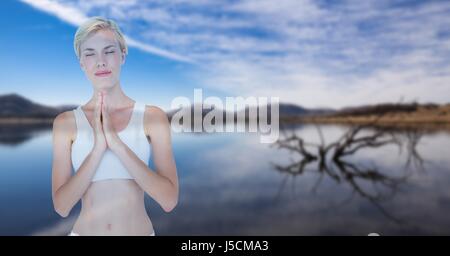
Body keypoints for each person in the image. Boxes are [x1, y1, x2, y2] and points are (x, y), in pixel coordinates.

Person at [51, 17, 179, 236]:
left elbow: (168, 201)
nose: (100, 61)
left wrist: (117, 144)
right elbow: (62, 207)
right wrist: (98, 149)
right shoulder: (65, 123)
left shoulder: (152, 117)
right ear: (82, 63)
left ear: (123, 56)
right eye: (90, 54)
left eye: (109, 51)